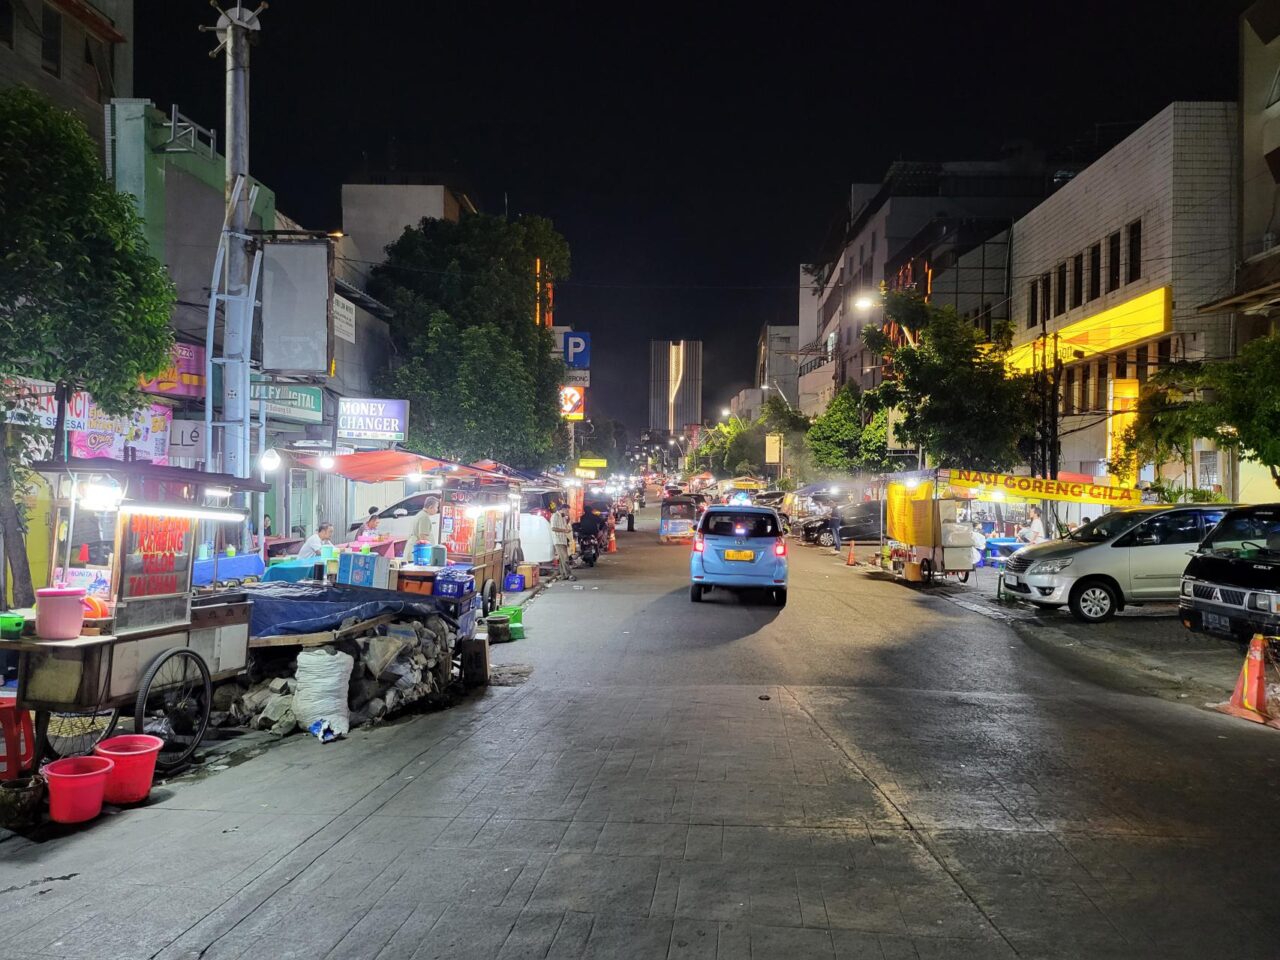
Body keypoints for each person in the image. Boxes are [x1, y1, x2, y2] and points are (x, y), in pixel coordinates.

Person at [550, 505, 576, 581]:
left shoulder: (563, 517)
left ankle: (563, 575)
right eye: (567, 510)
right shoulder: (555, 516)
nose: (568, 512)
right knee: (565, 558)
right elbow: (553, 528)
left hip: (563, 539)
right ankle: (568, 574)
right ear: (563, 509)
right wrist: (564, 531)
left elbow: (565, 527)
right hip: (558, 540)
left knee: (562, 559)